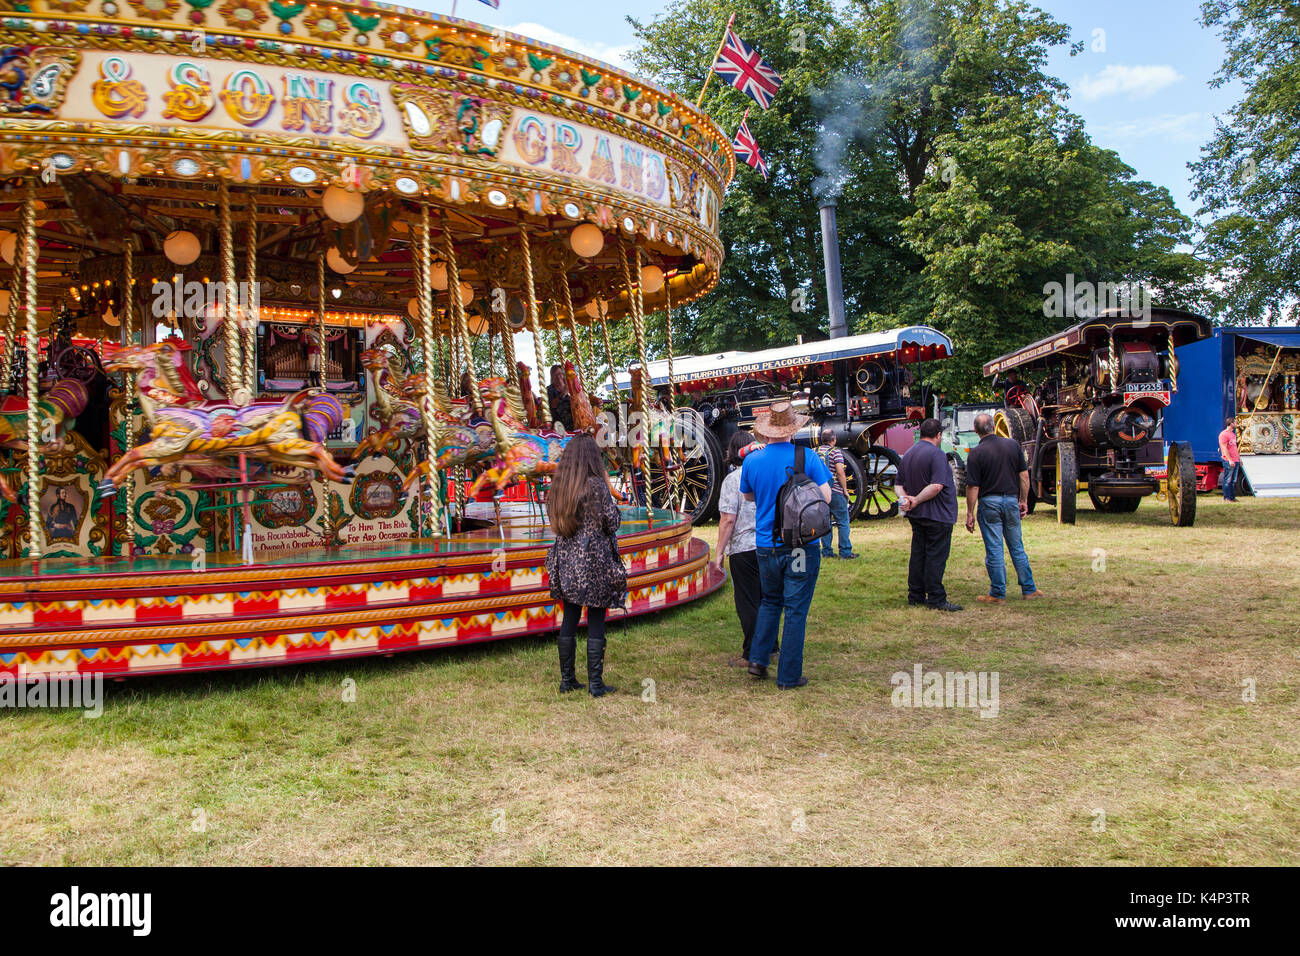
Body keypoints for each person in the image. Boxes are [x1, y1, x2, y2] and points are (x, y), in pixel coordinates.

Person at [740, 400, 832, 689]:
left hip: (765, 545)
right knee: (795, 609)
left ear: (766, 431)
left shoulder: (751, 461)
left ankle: (758, 659)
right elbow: (826, 498)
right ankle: (789, 676)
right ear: (793, 429)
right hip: (799, 547)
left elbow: (748, 497)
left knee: (770, 601)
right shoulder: (807, 458)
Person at [544, 434, 627, 697]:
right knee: (596, 617)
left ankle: (567, 679)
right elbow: (611, 522)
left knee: (569, 615)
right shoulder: (596, 486)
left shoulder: (560, 485)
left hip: (566, 560)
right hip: (593, 560)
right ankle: (595, 683)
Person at [963, 413, 1042, 603]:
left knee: (995, 549)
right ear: (993, 427)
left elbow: (973, 487)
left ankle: (998, 593)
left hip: (989, 503)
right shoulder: (1013, 445)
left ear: (976, 431)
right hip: (1011, 500)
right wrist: (1023, 500)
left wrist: (969, 513)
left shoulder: (976, 453)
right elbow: (1024, 476)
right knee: (1017, 547)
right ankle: (1029, 589)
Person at [712, 430, 772, 667]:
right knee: (767, 598)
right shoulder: (767, 473)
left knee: (748, 602)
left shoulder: (733, 480)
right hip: (769, 543)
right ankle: (771, 644)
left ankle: (752, 653)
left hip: (744, 547)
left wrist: (718, 552)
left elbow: (728, 519)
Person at [898, 418, 961, 611]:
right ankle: (936, 597)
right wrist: (915, 499)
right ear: (938, 435)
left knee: (918, 554)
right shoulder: (937, 455)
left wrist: (905, 500)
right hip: (937, 514)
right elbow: (937, 485)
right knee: (935, 556)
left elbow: (898, 485)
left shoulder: (908, 454)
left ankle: (915, 594)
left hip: (917, 515)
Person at [816, 429, 858, 559]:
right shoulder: (836, 452)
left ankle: (827, 551)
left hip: (820, 492)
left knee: (825, 522)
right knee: (843, 522)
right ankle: (845, 551)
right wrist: (845, 490)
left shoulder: (814, 452)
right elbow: (840, 472)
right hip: (835, 491)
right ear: (833, 439)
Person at [1219, 416, 1241, 502]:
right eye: (1235, 422)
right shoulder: (1223, 434)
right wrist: (1230, 459)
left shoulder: (1233, 434)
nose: (1236, 424)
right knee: (1227, 479)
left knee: (1233, 480)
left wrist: (1239, 459)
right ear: (1231, 423)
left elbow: (1235, 448)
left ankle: (1232, 497)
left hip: (1236, 460)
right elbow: (1224, 448)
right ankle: (1227, 498)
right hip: (1229, 460)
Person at [547, 364, 574, 432]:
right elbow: (553, 405)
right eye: (555, 375)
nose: (558, 376)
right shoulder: (550, 389)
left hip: (572, 418)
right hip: (559, 421)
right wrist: (563, 393)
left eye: (560, 374)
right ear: (552, 377)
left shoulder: (569, 387)